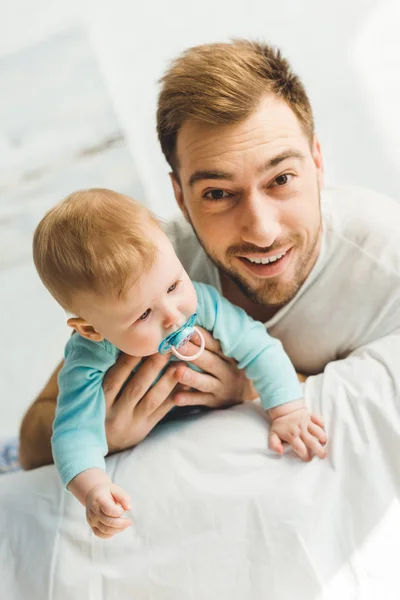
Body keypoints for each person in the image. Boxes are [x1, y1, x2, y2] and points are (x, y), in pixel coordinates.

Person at [20, 38, 400, 485]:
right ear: (179, 197)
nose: (261, 230)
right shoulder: (156, 267)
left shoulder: (385, 267)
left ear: (317, 162)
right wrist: (100, 433)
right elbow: (29, 442)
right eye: (218, 194)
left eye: (281, 179)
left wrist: (249, 386)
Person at [32, 188, 326, 538]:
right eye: (143, 314)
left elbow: (258, 347)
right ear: (92, 329)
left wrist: (287, 411)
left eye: (173, 286)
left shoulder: (202, 302)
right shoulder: (87, 357)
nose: (173, 316)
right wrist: (93, 488)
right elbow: (71, 431)